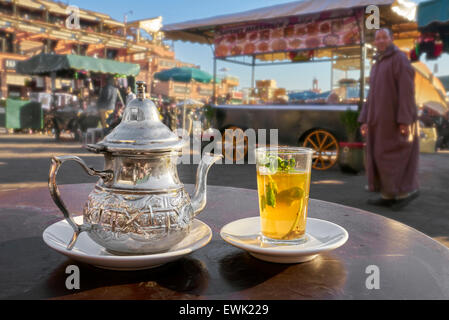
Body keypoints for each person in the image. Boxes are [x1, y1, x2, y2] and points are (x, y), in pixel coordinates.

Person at [358, 28, 420, 210]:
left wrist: (404, 120)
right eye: (378, 38)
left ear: (392, 39)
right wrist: (365, 120)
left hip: (395, 121)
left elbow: (406, 91)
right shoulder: (377, 63)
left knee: (396, 158)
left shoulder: (399, 59)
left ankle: (402, 194)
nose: (381, 40)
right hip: (378, 122)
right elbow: (372, 96)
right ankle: (387, 194)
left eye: (384, 37)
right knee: (379, 157)